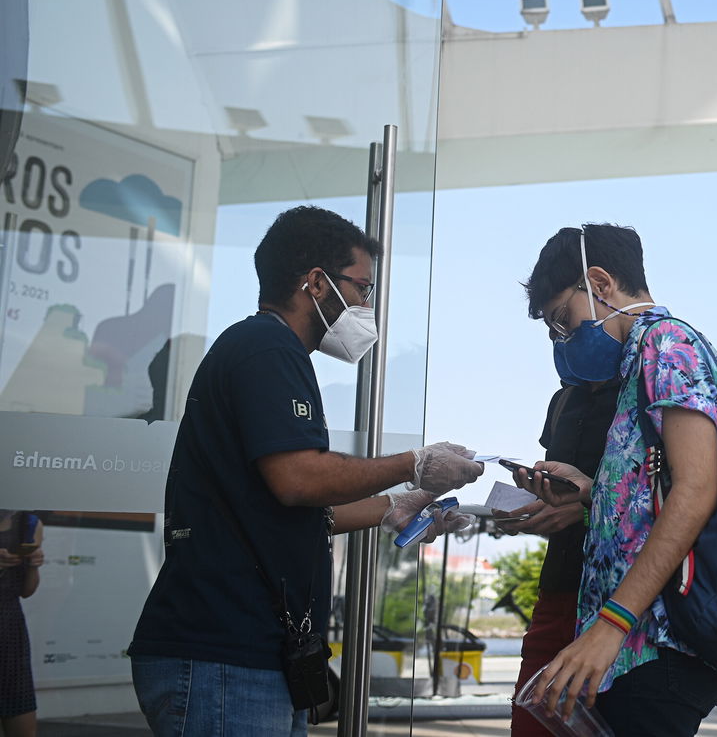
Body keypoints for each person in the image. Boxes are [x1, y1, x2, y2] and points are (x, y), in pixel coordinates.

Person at [128, 206, 482, 736]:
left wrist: (398, 506)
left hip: (255, 657)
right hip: (223, 657)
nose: (367, 304)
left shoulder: (270, 351)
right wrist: (414, 464)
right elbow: (299, 480)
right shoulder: (266, 348)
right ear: (316, 282)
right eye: (362, 288)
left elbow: (298, 507)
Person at [513, 224, 717, 736]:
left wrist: (610, 626)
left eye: (563, 319)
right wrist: (593, 494)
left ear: (600, 283)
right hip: (626, 650)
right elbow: (651, 500)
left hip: (650, 647)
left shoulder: (669, 344)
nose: (562, 339)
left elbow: (697, 491)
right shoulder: (640, 358)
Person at [502, 379, 619, 737]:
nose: (560, 340)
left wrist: (587, 509)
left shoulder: (648, 385)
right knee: (532, 721)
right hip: (558, 592)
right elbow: (561, 490)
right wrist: (528, 509)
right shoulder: (563, 400)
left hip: (621, 605)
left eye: (564, 322)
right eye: (553, 331)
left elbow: (675, 499)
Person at [0, 511, 43, 737]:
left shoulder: (29, 523)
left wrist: (34, 565)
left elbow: (26, 590)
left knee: (21, 718)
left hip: (10, 628)